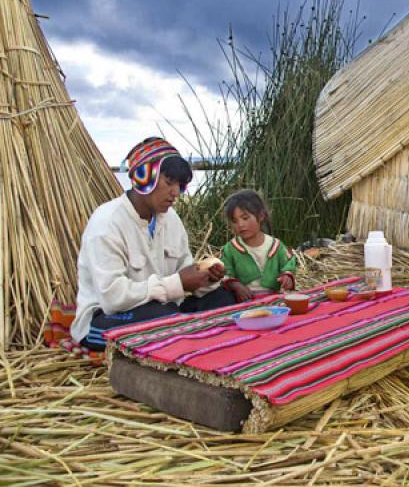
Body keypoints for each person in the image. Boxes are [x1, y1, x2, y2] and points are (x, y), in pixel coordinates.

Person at [70, 137, 236, 350]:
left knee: (222, 299)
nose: (176, 193)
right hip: (106, 319)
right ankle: (185, 331)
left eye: (180, 185)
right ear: (144, 177)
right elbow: (112, 298)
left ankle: (184, 331)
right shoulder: (107, 223)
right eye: (169, 182)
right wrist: (179, 284)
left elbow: (184, 269)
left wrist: (206, 278)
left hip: (164, 308)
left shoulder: (170, 219)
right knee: (162, 316)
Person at [220, 189, 297, 302]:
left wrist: (287, 277)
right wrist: (235, 286)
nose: (240, 225)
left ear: (261, 216)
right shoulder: (230, 249)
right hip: (243, 301)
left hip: (274, 298)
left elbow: (289, 264)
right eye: (234, 221)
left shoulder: (276, 246)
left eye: (245, 218)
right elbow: (225, 273)